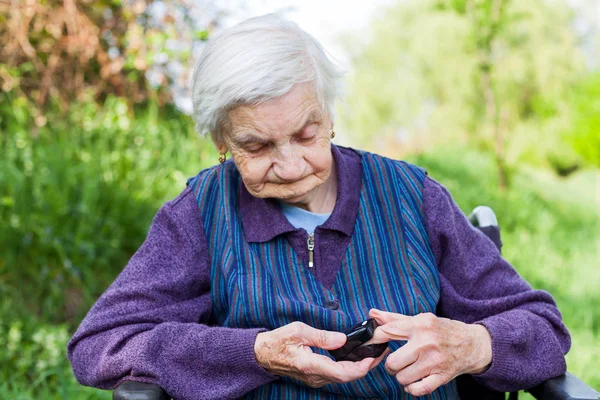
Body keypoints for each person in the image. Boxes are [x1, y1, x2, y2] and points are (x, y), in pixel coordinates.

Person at [67, 14, 570, 400]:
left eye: (306, 134)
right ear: (221, 142)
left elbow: (543, 328)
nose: (288, 165)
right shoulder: (200, 215)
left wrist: (472, 345)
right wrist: (254, 353)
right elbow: (101, 344)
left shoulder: (412, 195)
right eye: (257, 147)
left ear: (329, 114)